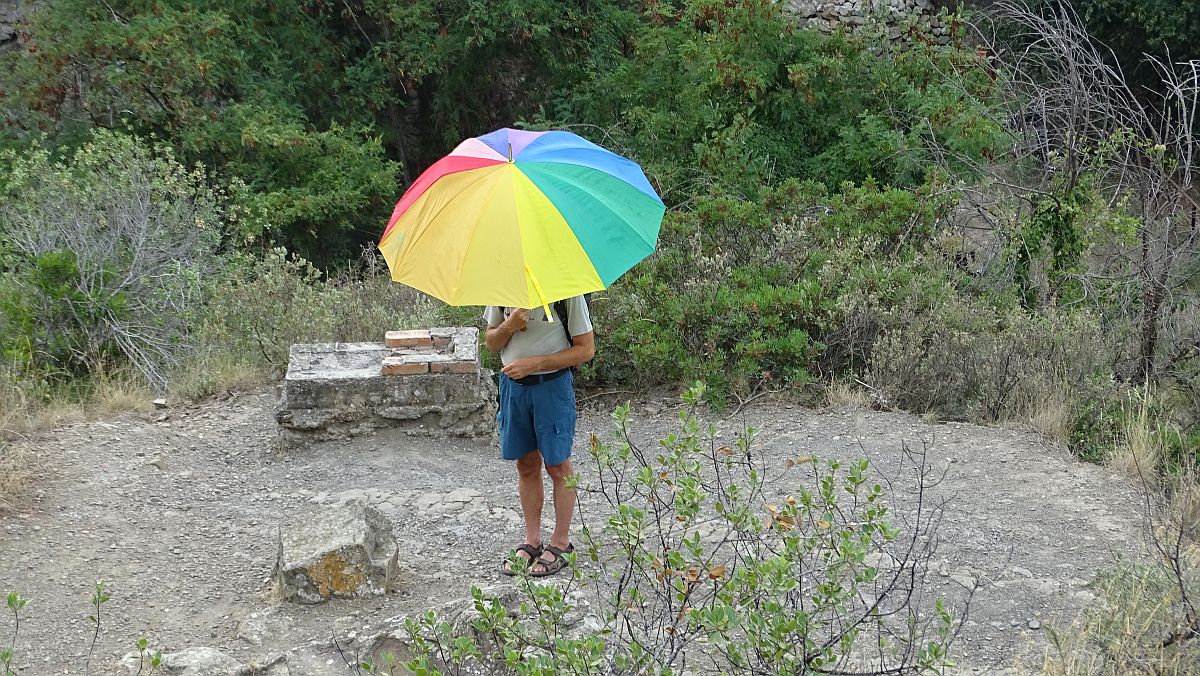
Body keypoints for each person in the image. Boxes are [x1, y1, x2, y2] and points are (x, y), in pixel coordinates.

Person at [483, 297, 594, 577]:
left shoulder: (566, 291)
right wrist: (508, 326)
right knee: (526, 464)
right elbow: (491, 343)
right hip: (513, 388)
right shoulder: (501, 285)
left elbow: (585, 350)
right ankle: (532, 540)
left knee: (558, 466)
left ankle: (561, 542)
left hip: (552, 386)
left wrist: (536, 364)